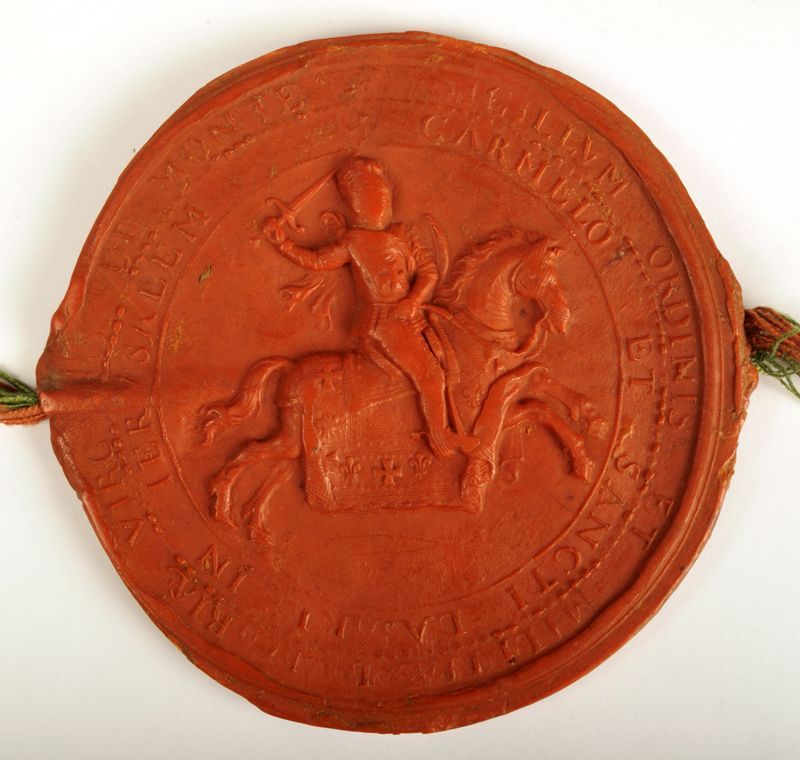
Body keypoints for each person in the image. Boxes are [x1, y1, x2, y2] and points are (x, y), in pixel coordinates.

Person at [264, 156, 472, 458]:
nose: (378, 199)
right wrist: (283, 244)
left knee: (446, 353)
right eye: (367, 193)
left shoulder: (404, 236)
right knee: (431, 375)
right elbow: (318, 260)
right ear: (355, 203)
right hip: (383, 320)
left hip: (409, 314)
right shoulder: (353, 242)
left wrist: (413, 301)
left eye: (380, 191)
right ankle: (441, 438)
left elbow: (429, 273)